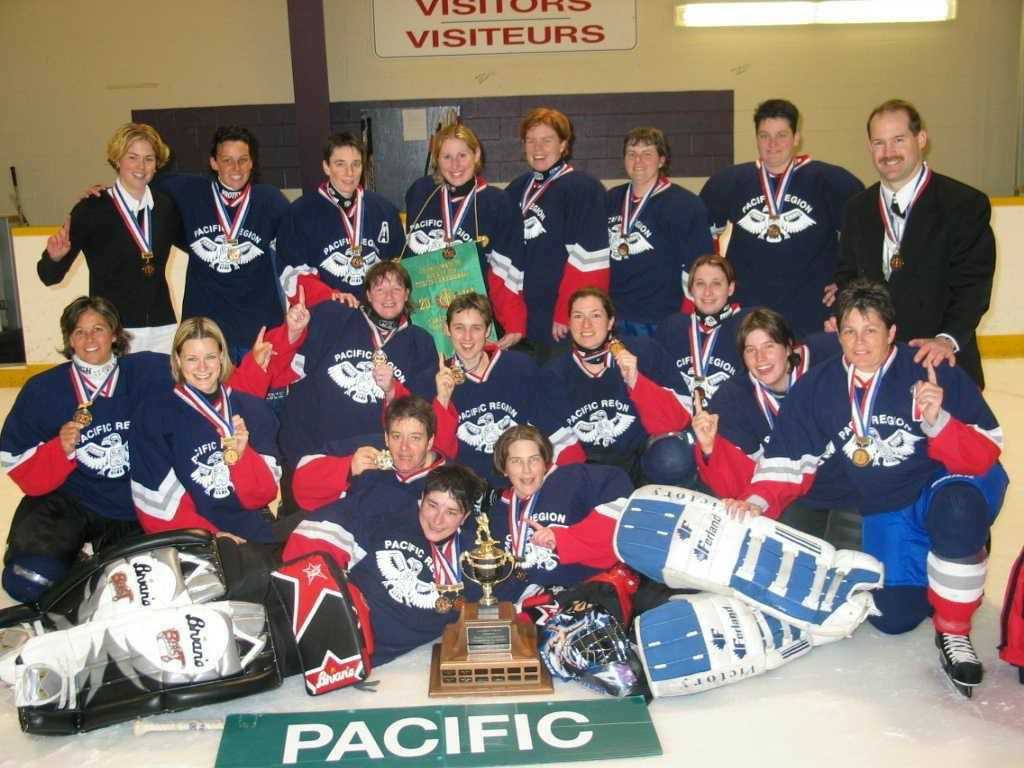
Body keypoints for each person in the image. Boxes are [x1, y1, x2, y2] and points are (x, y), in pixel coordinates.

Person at [726, 280, 1007, 696]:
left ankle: (954, 629)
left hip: (944, 485)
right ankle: (944, 558)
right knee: (893, 618)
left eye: (870, 330)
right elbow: (790, 456)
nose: (859, 342)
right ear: (836, 334)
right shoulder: (819, 386)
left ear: (892, 332)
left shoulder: (930, 367)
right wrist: (756, 500)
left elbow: (987, 450)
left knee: (957, 512)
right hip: (888, 506)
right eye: (850, 331)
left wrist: (940, 423)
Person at [0, 297, 172, 601]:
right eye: (79, 332)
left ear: (115, 334)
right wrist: (59, 450)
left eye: (98, 329)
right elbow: (12, 460)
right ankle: (77, 559)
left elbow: (205, 376)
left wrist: (254, 371)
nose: (89, 339)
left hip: (133, 505)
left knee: (145, 589)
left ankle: (91, 561)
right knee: (27, 581)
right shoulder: (43, 389)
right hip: (71, 500)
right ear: (69, 340)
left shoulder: (147, 371)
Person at [832, 99, 995, 389]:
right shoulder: (857, 208)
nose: (888, 153)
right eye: (879, 143)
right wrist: (846, 320)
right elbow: (848, 277)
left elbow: (973, 286)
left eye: (899, 140)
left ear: (921, 139)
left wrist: (946, 339)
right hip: (875, 368)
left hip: (941, 363)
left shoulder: (963, 204)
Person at [281, 465, 486, 666]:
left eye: (451, 512)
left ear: (465, 517)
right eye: (432, 505)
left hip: (381, 664)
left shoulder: (472, 557)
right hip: (326, 635)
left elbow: (491, 611)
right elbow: (313, 535)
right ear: (422, 498)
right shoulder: (388, 513)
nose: (437, 520)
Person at [700, 99, 863, 338]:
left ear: (796, 137)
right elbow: (698, 241)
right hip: (749, 311)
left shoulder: (831, 181)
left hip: (812, 312)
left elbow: (863, 240)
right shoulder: (728, 182)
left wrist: (846, 282)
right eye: (764, 136)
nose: (772, 144)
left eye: (781, 135)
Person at [270, 261, 440, 471]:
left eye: (397, 289)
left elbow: (421, 416)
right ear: (367, 294)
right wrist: (292, 332)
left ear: (406, 294)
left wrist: (393, 390)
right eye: (380, 289)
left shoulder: (421, 342)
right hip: (320, 456)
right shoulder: (335, 317)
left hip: (380, 462)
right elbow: (277, 372)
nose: (389, 296)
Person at [130, 317, 284, 542]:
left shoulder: (254, 410)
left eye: (210, 357)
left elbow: (263, 496)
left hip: (253, 533)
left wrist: (243, 458)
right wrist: (212, 537)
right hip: (192, 538)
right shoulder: (153, 416)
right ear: (178, 360)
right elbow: (156, 504)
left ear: (221, 357)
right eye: (192, 359)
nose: (202, 367)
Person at [38, 123, 181, 352]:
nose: (141, 166)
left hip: (163, 327)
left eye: (149, 159)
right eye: (132, 157)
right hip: (113, 329)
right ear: (117, 160)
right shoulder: (91, 208)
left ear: (157, 164)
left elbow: (195, 244)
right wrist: (55, 258)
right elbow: (49, 276)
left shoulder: (165, 207)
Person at [153, 126, 291, 363]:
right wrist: (104, 193)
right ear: (214, 163)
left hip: (258, 332)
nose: (236, 168)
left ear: (252, 163)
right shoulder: (189, 192)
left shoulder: (270, 200)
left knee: (257, 390)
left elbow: (301, 235)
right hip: (206, 334)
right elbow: (140, 181)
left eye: (242, 160)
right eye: (227, 160)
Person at [539, 288, 692, 483]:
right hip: (591, 466)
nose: (586, 324)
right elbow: (556, 437)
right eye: (578, 316)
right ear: (569, 322)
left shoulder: (645, 352)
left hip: (643, 458)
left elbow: (679, 420)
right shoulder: (554, 374)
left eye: (596, 315)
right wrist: (586, 481)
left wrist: (636, 381)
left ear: (610, 322)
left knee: (672, 458)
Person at [692, 307, 840, 498]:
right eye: (750, 350)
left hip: (846, 481)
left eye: (769, 346)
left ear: (788, 347)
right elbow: (739, 487)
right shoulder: (732, 399)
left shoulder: (826, 357)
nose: (760, 358)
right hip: (789, 496)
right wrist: (711, 448)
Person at [405, 123, 528, 348]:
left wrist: (513, 321)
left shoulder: (498, 203)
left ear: (476, 154)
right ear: (436, 159)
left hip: (474, 323)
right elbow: (409, 260)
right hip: (426, 316)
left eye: (462, 155)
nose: (455, 165)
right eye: (447, 157)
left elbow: (506, 271)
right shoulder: (420, 193)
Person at [442, 292, 584, 485]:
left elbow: (551, 425)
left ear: (488, 330)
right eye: (459, 328)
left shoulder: (519, 367)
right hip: (468, 488)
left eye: (476, 328)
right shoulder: (436, 379)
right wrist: (441, 401)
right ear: (447, 329)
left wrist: (574, 477)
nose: (467, 337)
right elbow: (438, 451)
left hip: (523, 481)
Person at [504, 107, 609, 361]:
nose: (538, 148)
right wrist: (509, 314)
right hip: (521, 318)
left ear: (563, 145)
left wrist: (568, 312)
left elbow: (589, 259)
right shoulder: (516, 189)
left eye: (547, 140)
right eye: (531, 140)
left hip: (557, 321)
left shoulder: (583, 189)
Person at [487, 426, 632, 603]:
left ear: (545, 462)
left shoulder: (573, 479)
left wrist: (564, 539)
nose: (526, 470)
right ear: (504, 468)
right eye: (516, 461)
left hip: (583, 599)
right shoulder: (496, 514)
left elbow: (623, 510)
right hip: (527, 607)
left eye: (534, 459)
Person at [276, 133, 404, 309]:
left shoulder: (384, 210)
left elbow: (399, 267)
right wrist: (330, 295)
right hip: (327, 312)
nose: (349, 173)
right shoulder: (299, 213)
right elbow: (291, 274)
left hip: (375, 312)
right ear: (326, 167)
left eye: (356, 164)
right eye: (340, 164)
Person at [606, 128, 713, 336]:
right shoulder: (610, 199)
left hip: (660, 319)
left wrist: (686, 318)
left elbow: (699, 267)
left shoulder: (686, 205)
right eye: (631, 154)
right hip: (615, 316)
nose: (638, 161)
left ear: (662, 160)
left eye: (647, 154)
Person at [291, 394, 454, 512]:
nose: (404, 447)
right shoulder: (368, 450)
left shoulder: (452, 480)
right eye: (396, 436)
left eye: (415, 438)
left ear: (430, 442)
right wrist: (347, 467)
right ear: (386, 438)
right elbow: (301, 486)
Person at [655, 254, 749, 411]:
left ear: (730, 288)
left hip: (728, 421)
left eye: (716, 284)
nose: (707, 292)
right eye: (700, 284)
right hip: (680, 419)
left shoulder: (746, 327)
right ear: (691, 289)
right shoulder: (671, 327)